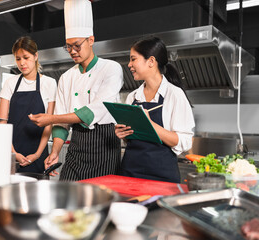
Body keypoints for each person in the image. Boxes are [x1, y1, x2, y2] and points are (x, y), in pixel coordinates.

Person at [29, 0, 123, 181]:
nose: (72, 51)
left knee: (99, 202)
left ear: (91, 40)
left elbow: (91, 112)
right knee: (66, 197)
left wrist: (51, 118)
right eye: (68, 46)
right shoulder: (66, 77)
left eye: (77, 45)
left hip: (105, 147)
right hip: (77, 146)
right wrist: (55, 151)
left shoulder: (111, 69)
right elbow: (62, 124)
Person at [115, 37, 195, 183]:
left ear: (151, 61)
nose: (129, 65)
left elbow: (185, 141)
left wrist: (150, 124)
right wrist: (123, 133)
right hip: (129, 173)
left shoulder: (174, 94)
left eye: (133, 59)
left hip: (161, 177)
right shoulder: (132, 97)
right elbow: (132, 139)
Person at [0, 36, 57, 173]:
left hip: (38, 154)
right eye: (18, 59)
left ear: (35, 56)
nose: (22, 63)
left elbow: (49, 123)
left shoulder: (49, 83)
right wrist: (13, 153)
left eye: (26, 57)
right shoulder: (10, 83)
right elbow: (2, 122)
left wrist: (37, 155)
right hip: (11, 152)